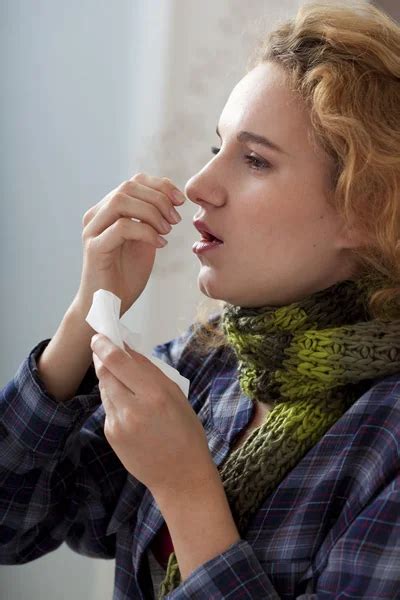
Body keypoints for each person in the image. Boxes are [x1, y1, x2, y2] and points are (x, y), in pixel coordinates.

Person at [1, 0, 400, 598]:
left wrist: (186, 489)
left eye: (256, 159)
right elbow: (12, 526)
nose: (198, 185)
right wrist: (89, 309)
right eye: (219, 147)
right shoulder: (209, 361)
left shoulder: (386, 435)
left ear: (365, 209)